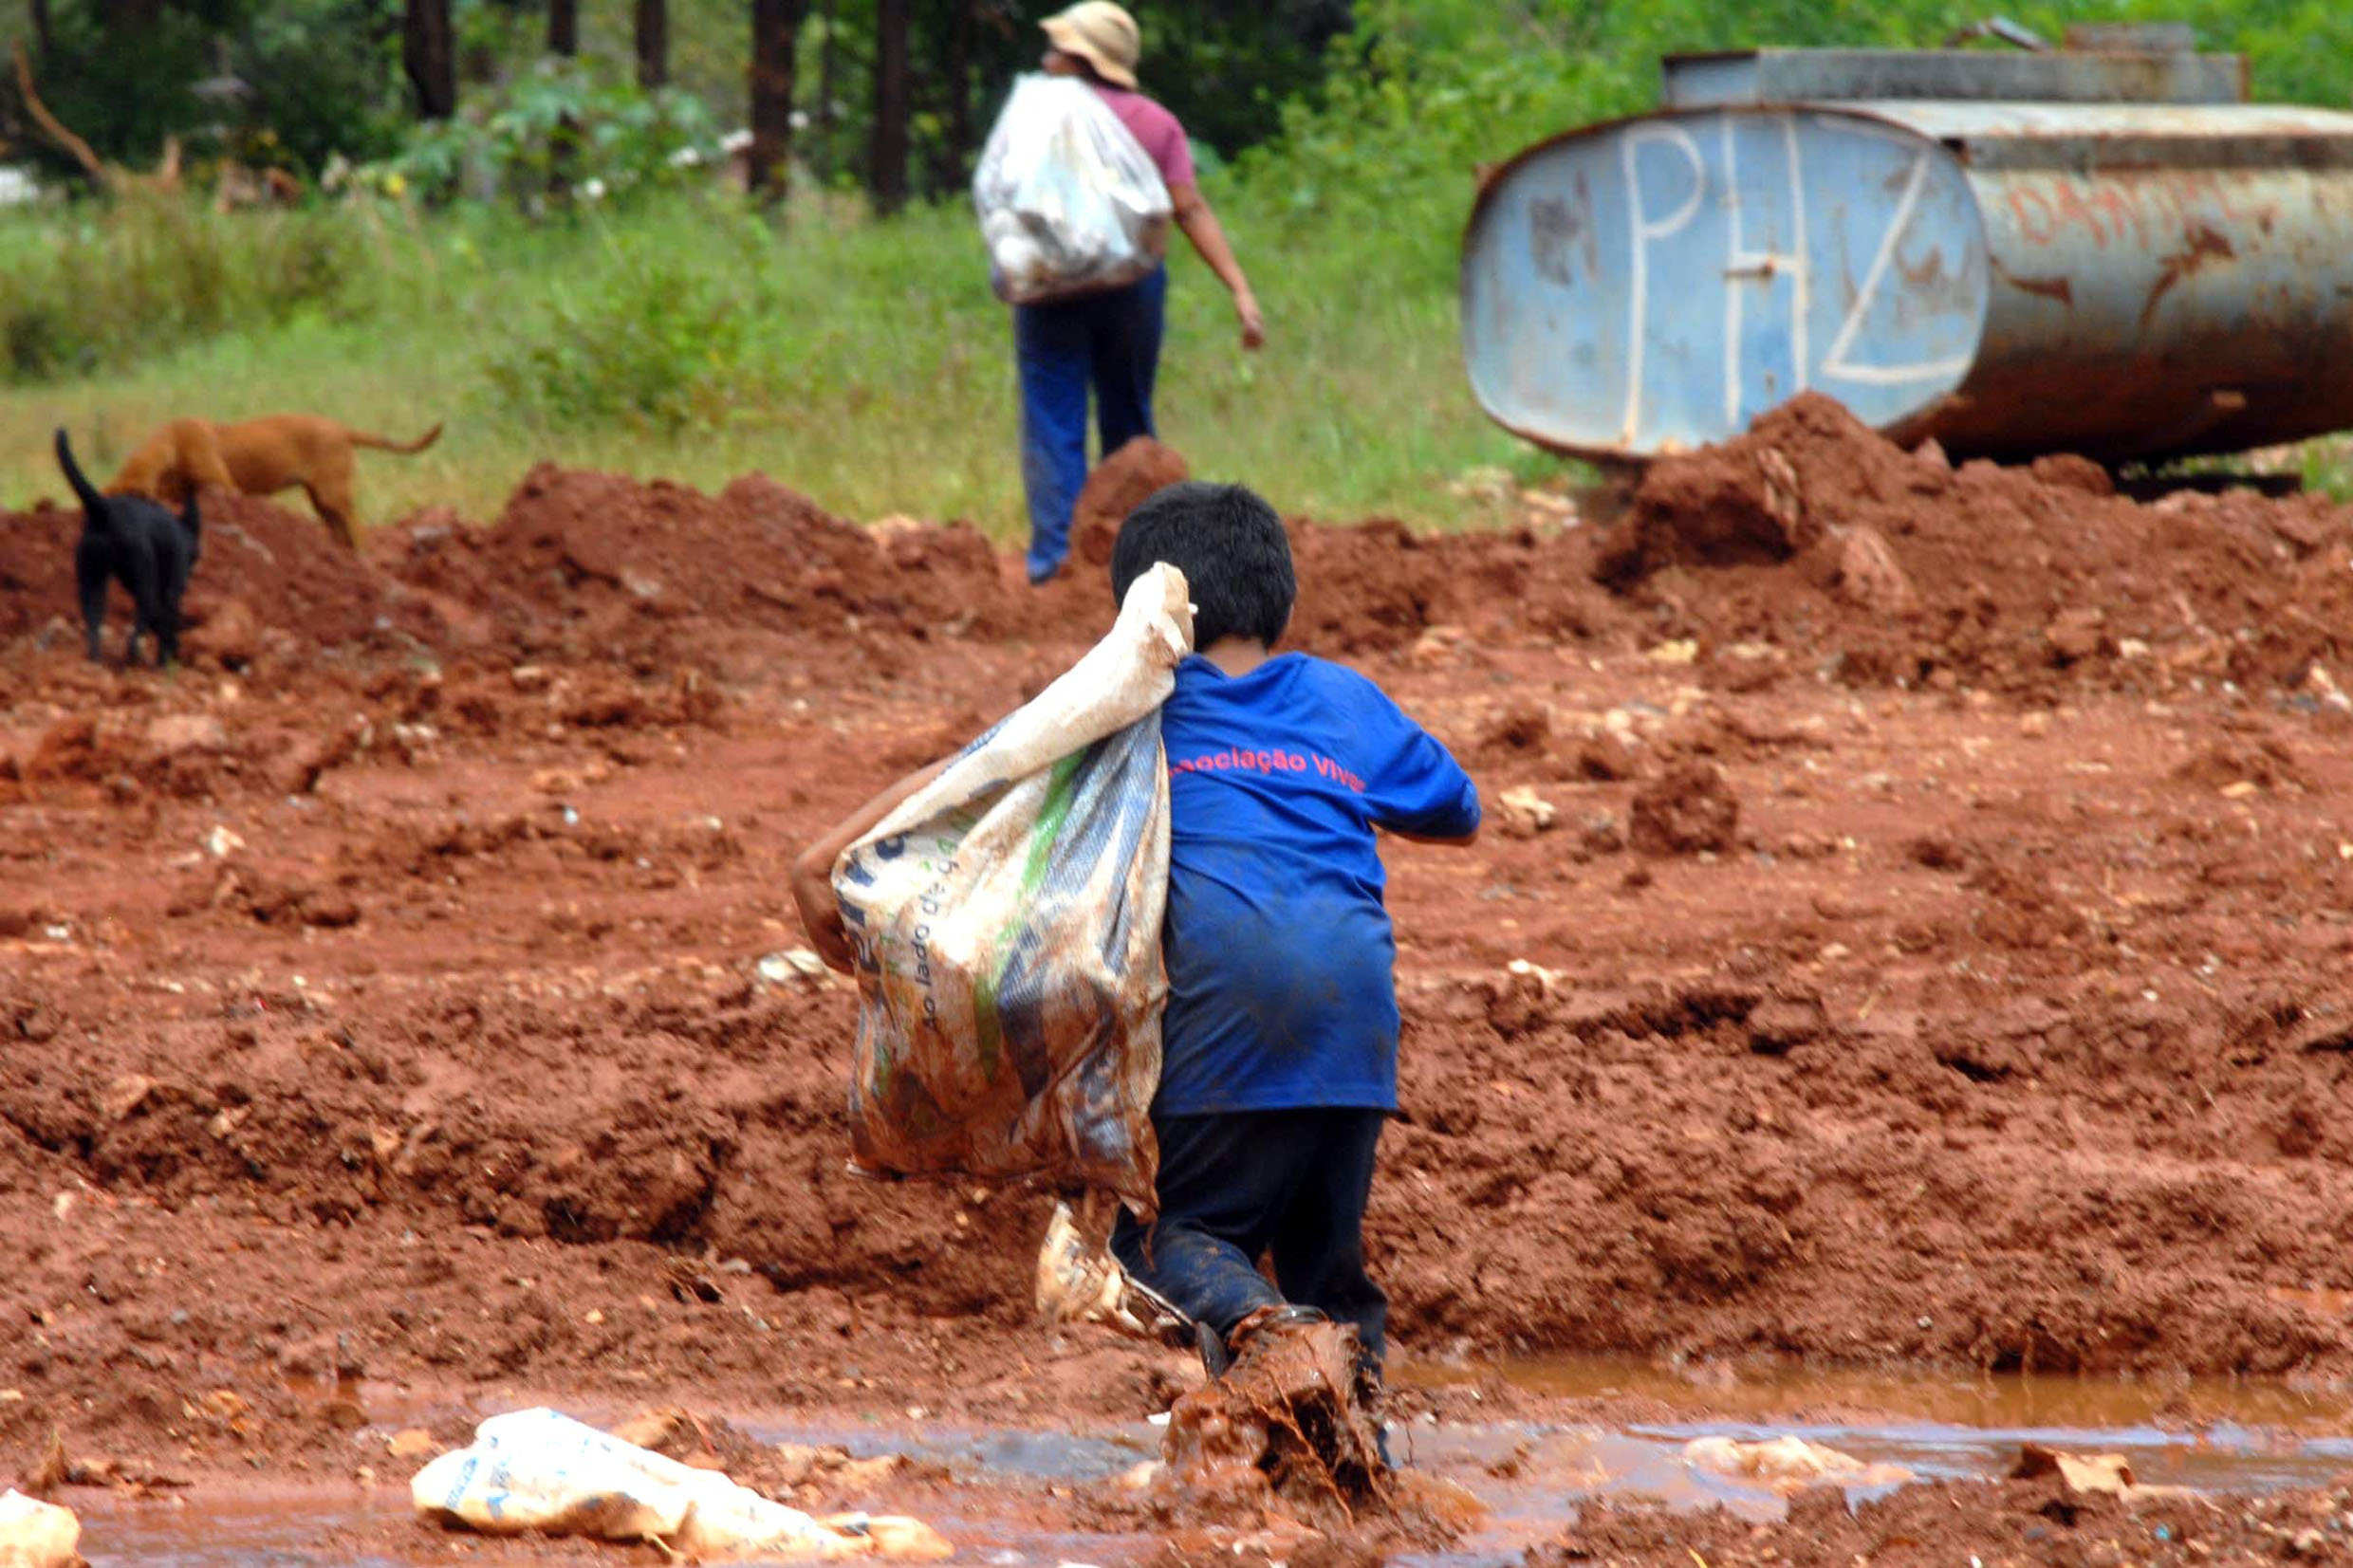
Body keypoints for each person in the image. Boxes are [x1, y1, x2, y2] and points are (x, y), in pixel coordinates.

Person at [789, 480, 1480, 1421]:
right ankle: (1349, 1459)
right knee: (1328, 1267)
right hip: (1354, 1038)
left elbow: (982, 771)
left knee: (1169, 1244)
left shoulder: (1132, 711)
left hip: (1218, 1026)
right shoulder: (1338, 700)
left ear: (1142, 615)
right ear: (1281, 602)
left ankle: (1268, 1337)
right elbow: (1454, 810)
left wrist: (829, 856)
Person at [1012, 2, 1265, 585]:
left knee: (1054, 423)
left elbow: (1009, 199)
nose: (1047, 58)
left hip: (1048, 293)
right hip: (1131, 294)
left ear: (1079, 60)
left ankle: (1056, 566)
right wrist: (1239, 288)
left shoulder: (1036, 119)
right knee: (1129, 425)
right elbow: (1189, 208)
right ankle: (1133, 568)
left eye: (1057, 50)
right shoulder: (1154, 122)